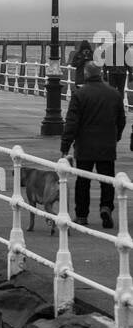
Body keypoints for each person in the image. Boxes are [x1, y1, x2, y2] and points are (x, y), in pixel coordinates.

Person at [60, 61, 126, 228]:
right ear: (101, 73)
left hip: (85, 146)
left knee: (83, 181)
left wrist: (65, 146)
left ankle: (82, 215)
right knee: (107, 180)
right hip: (107, 146)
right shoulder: (114, 94)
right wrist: (115, 137)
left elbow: (72, 123)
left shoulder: (80, 94)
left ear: (87, 74)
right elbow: (122, 120)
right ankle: (106, 207)